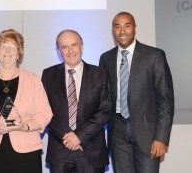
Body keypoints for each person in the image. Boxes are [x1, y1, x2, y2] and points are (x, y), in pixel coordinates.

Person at [99, 12, 174, 173]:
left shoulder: (154, 56)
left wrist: (161, 138)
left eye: (127, 26)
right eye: (117, 27)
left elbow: (165, 100)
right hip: (117, 131)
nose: (122, 31)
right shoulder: (105, 59)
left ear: (135, 28)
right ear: (113, 31)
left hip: (147, 132)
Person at [0, 29, 53, 173]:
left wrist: (24, 126)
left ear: (19, 53)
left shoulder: (33, 80)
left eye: (12, 47)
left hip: (26, 153)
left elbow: (45, 114)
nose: (8, 50)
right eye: (3, 46)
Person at [41, 29, 112, 173]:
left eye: (74, 45)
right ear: (59, 50)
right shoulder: (48, 75)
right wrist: (68, 137)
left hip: (91, 151)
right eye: (64, 46)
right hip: (60, 150)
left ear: (82, 46)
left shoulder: (100, 74)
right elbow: (44, 110)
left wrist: (79, 136)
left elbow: (105, 109)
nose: (70, 51)